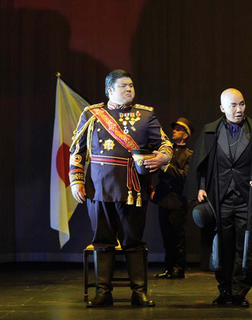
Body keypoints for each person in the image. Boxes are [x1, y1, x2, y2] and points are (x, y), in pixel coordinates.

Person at [69, 69, 173, 308]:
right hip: (99, 187)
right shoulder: (92, 114)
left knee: (134, 241)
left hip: (133, 188)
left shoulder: (145, 115)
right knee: (103, 241)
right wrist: (76, 179)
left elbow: (165, 144)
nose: (129, 90)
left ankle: (139, 293)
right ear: (109, 90)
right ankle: (103, 292)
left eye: (131, 86)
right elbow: (77, 150)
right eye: (124, 86)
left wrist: (163, 158)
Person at [184, 88, 252, 307]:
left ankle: (240, 292)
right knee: (222, 245)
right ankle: (224, 290)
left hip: (246, 199)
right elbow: (201, 165)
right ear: (222, 108)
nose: (239, 109)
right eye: (233, 105)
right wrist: (201, 187)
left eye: (242, 104)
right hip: (219, 199)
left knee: (244, 246)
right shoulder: (210, 131)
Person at [153, 117, 194, 279]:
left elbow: (185, 176)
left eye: (178, 129)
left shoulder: (189, 155)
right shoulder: (167, 153)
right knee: (166, 237)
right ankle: (169, 267)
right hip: (164, 200)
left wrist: (166, 167)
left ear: (185, 135)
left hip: (177, 201)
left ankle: (178, 268)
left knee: (178, 237)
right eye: (174, 129)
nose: (174, 131)